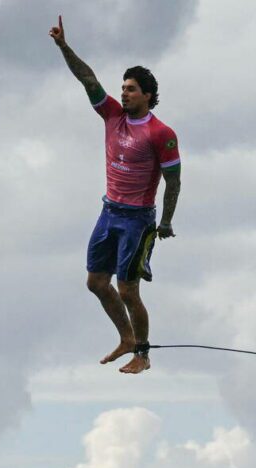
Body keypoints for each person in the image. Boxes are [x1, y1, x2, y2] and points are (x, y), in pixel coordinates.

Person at [49, 15, 181, 374]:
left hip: (138, 220)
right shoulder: (112, 116)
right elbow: (87, 78)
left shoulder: (161, 133)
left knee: (127, 290)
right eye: (123, 88)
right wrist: (63, 46)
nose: (123, 93)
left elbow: (174, 180)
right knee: (95, 282)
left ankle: (143, 353)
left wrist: (166, 221)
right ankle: (125, 337)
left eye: (131, 89)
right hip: (109, 212)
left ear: (148, 96)